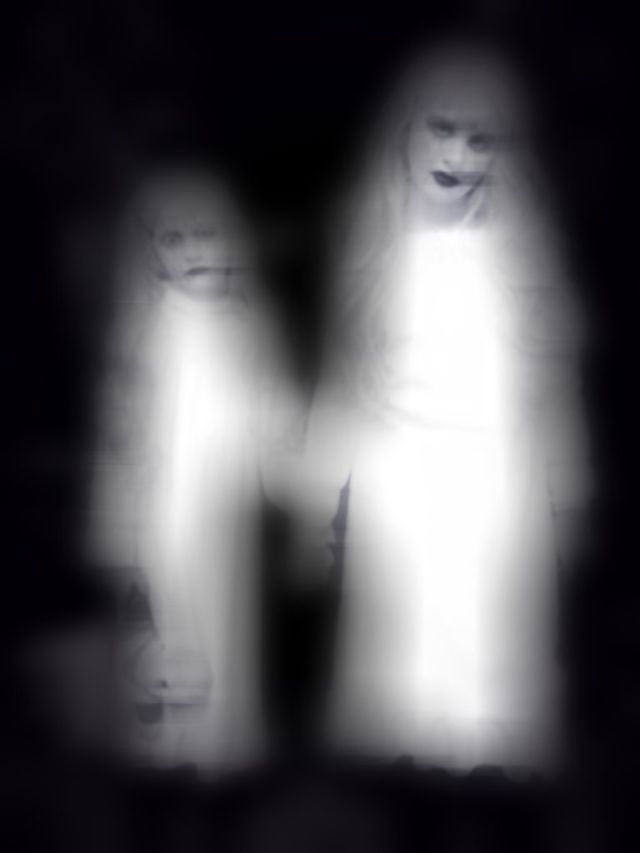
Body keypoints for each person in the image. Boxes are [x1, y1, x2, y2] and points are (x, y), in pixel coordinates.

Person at [294, 40, 595, 770]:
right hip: (400, 506)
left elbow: (551, 390)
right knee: (402, 709)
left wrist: (569, 497)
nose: (456, 153)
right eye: (441, 129)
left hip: (495, 505)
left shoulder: (521, 263)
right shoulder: (376, 258)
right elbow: (345, 385)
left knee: (490, 709)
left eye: (479, 138)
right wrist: (317, 505)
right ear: (405, 131)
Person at [88, 167, 295, 770]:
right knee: (161, 638)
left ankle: (220, 750)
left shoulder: (250, 329)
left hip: (227, 519)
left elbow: (272, 425)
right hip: (162, 515)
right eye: (173, 240)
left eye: (205, 234)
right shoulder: (143, 335)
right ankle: (161, 759)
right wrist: (117, 528)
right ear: (152, 252)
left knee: (225, 638)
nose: (193, 252)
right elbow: (122, 437)